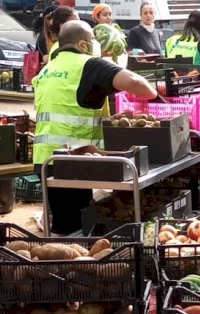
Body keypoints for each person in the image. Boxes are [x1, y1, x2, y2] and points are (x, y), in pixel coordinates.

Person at [33, 20, 157, 234]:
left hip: (44, 160)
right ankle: (72, 263)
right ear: (83, 45)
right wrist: (155, 94)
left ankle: (64, 260)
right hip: (73, 161)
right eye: (92, 41)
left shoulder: (48, 68)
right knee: (77, 230)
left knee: (65, 226)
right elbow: (137, 83)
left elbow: (74, 104)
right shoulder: (88, 64)